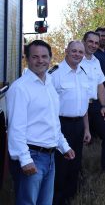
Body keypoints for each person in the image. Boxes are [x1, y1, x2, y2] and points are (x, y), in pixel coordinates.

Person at [7, 40, 75, 204]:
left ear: (51, 58)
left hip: (50, 157)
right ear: (27, 59)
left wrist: (63, 146)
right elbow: (16, 128)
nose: (40, 60)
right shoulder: (20, 88)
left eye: (44, 56)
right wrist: (25, 159)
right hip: (32, 157)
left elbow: (51, 121)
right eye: (35, 57)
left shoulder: (49, 84)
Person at [50, 40, 91, 205]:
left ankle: (70, 198)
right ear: (66, 51)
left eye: (80, 52)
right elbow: (48, 107)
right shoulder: (55, 74)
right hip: (61, 125)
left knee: (75, 163)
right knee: (61, 166)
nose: (77, 55)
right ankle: (57, 200)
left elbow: (84, 106)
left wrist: (87, 129)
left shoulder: (83, 73)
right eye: (74, 51)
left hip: (79, 125)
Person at [80, 31, 105, 171]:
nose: (93, 45)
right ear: (84, 41)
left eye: (96, 42)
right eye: (90, 41)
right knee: (78, 141)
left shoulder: (96, 61)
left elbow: (100, 85)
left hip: (95, 106)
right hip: (78, 107)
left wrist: (104, 106)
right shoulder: (76, 59)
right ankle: (77, 175)